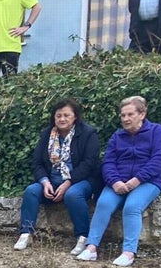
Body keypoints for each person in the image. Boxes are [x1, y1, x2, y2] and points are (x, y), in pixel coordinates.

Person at [76, 96, 161, 267]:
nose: (125, 119)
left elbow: (159, 159)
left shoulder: (157, 131)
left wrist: (137, 180)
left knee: (132, 207)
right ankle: (91, 248)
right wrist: (115, 181)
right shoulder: (117, 136)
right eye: (123, 115)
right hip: (118, 182)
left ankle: (128, 253)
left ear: (142, 114)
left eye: (130, 114)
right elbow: (108, 162)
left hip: (148, 181)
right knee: (103, 203)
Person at [15, 98, 102, 253]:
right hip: (52, 180)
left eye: (66, 115)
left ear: (75, 116)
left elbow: (89, 163)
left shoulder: (88, 134)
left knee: (73, 195)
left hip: (81, 180)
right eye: (58, 115)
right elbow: (37, 163)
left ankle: (83, 237)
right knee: (31, 191)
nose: (62, 119)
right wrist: (44, 182)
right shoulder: (47, 134)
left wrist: (68, 182)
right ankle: (26, 233)